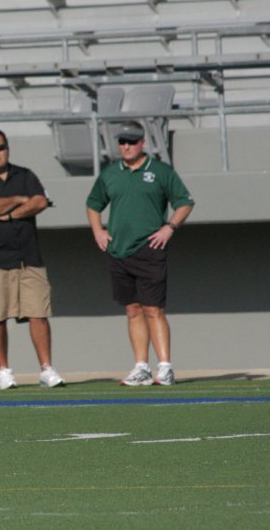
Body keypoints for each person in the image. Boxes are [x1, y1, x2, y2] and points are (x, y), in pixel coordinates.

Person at [85, 121, 195, 386]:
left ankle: (165, 368)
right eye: (122, 141)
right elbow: (93, 204)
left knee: (153, 309)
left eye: (131, 141)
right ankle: (141, 367)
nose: (126, 146)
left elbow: (184, 202)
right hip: (118, 251)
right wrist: (98, 231)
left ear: (142, 143)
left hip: (150, 249)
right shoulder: (111, 174)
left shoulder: (160, 171)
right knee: (133, 310)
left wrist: (169, 227)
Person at [0, 128, 65, 390]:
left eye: (0, 147)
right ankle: (4, 371)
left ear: (7, 149)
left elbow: (41, 201)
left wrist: (9, 213)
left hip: (28, 256)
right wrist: (21, 199)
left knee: (39, 314)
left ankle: (46, 369)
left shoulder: (25, 174)